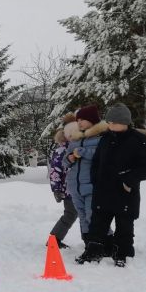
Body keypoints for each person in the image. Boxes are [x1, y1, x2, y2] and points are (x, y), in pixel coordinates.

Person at [76, 103, 146, 267]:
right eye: (109, 122)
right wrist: (95, 179)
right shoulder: (106, 137)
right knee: (97, 224)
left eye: (113, 122)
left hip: (124, 192)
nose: (110, 125)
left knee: (124, 225)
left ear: (124, 122)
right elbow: (96, 161)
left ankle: (123, 253)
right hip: (103, 190)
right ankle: (94, 251)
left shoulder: (138, 140)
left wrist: (129, 180)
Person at [63, 105, 108, 245]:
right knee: (82, 215)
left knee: (93, 215)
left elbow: (103, 157)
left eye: (83, 119)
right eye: (78, 120)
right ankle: (88, 243)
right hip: (75, 186)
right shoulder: (75, 139)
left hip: (92, 185)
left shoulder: (102, 138)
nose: (79, 122)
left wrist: (83, 152)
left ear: (92, 120)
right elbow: (65, 162)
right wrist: (69, 158)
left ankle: (106, 241)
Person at [47, 113, 77, 248]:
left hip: (83, 187)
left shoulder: (82, 146)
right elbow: (55, 171)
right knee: (71, 214)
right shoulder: (61, 150)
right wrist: (56, 189)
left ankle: (103, 238)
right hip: (69, 189)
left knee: (90, 214)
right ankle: (54, 239)